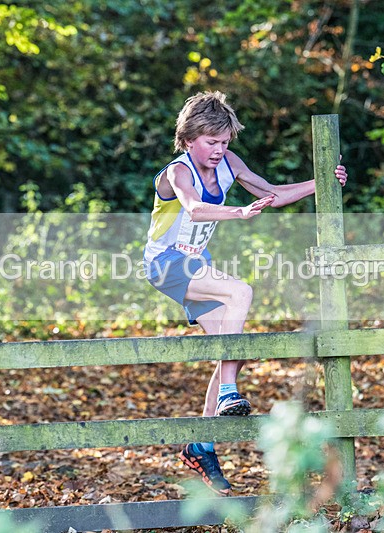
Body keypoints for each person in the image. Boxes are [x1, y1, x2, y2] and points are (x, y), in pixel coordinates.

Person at [143, 91, 347, 496]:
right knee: (240, 292)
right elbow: (196, 208)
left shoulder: (229, 164)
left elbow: (272, 192)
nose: (219, 150)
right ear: (187, 140)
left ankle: (201, 444)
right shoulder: (176, 173)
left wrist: (321, 181)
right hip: (165, 263)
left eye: (224, 142)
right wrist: (237, 212)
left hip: (194, 264)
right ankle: (228, 396)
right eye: (210, 142)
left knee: (228, 351)